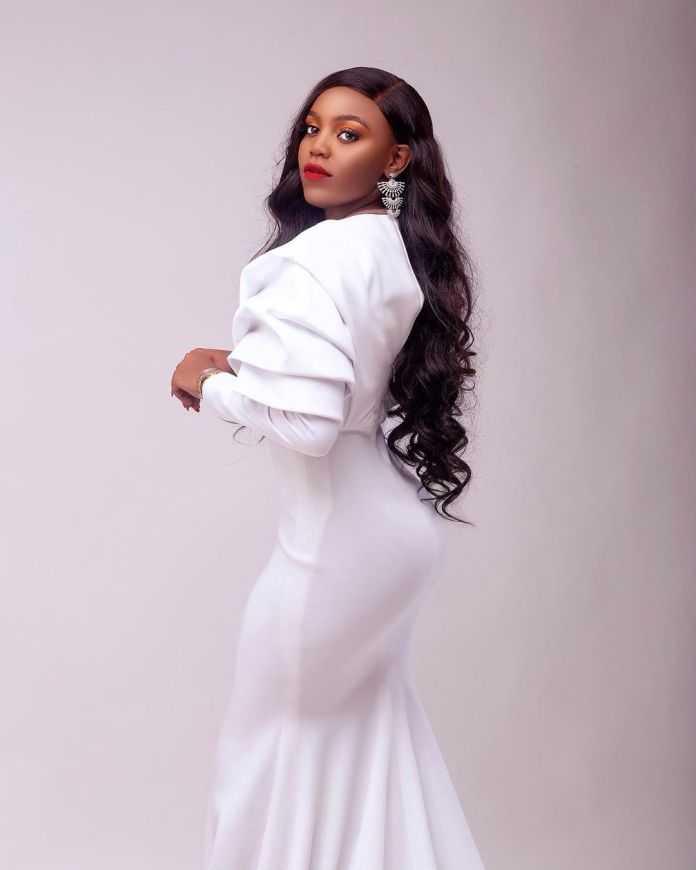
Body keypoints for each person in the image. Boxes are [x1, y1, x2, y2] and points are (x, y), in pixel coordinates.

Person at [170, 66, 486, 870]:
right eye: (313, 128)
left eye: (350, 134)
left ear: (395, 160)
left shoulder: (313, 258)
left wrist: (208, 383)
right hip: (391, 534)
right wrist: (241, 364)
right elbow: (346, 385)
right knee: (367, 741)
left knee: (265, 758)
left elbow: (310, 424)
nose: (318, 147)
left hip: (334, 545)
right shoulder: (389, 247)